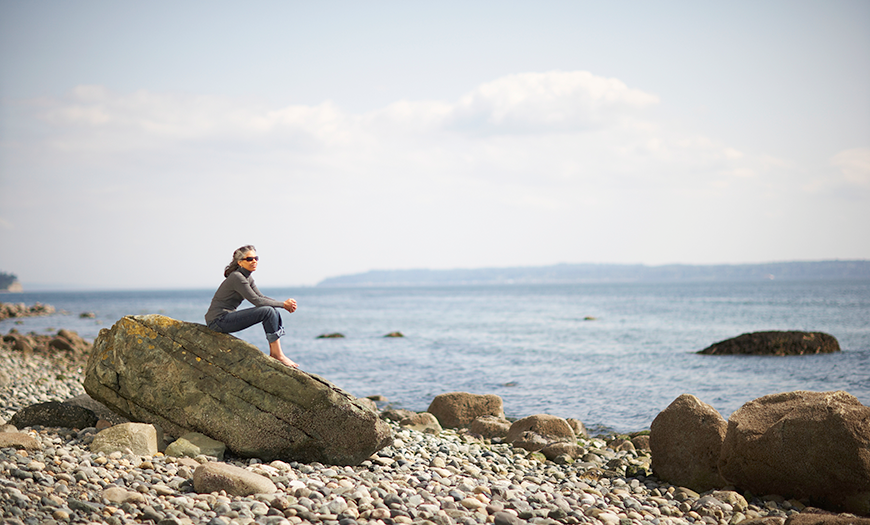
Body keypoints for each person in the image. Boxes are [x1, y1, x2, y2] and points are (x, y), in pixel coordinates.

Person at [205, 245, 299, 368]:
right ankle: (277, 355)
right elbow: (257, 301)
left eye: (256, 258)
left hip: (224, 319)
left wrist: (284, 303)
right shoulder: (237, 277)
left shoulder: (247, 277)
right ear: (240, 262)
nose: (254, 261)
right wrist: (283, 305)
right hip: (218, 320)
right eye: (249, 259)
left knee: (271, 310)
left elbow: (261, 297)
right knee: (268, 311)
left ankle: (276, 353)